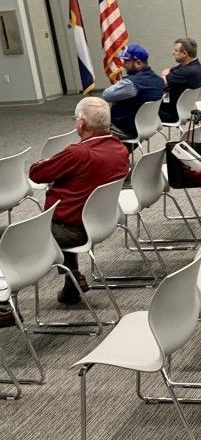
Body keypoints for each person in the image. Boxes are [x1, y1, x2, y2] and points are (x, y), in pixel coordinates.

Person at [27, 97, 130, 305]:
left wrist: (48, 162)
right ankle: (72, 278)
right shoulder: (119, 148)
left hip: (73, 229)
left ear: (81, 123)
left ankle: (2, 304)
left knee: (6, 234)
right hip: (102, 221)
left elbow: (37, 173)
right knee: (66, 208)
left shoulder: (77, 153)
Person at [102, 43, 165, 139]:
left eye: (126, 61)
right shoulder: (159, 80)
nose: (123, 65)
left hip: (125, 128)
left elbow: (106, 95)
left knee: (92, 122)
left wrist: (121, 83)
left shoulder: (132, 84)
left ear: (138, 63)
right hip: (148, 124)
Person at [158, 37, 201, 123]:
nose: (172, 53)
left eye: (175, 51)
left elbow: (161, 83)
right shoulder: (194, 65)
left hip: (172, 113)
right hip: (184, 109)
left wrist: (165, 75)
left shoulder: (185, 71)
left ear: (184, 53)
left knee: (136, 109)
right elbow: (168, 71)